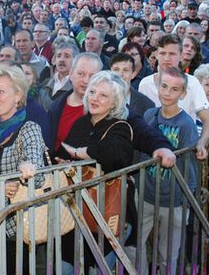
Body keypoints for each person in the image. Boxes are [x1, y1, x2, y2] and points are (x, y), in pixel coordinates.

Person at [0, 63, 45, 274]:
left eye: (1, 91)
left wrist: (28, 166)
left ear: (18, 95)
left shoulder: (29, 129)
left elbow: (36, 174)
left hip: (11, 229)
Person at [57, 71, 134, 270]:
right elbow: (62, 152)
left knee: (98, 267)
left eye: (103, 95)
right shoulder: (82, 123)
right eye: (92, 92)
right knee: (67, 264)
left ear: (115, 102)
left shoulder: (120, 127)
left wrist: (81, 153)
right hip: (76, 212)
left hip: (107, 213)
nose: (94, 98)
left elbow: (114, 153)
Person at [139, 67, 198, 275]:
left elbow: (190, 166)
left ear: (182, 94)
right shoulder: (149, 115)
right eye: (164, 86)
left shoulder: (186, 125)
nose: (167, 93)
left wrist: (187, 201)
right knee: (135, 246)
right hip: (145, 194)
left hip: (173, 200)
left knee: (168, 254)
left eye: (174, 89)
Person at [139, 34, 209, 159]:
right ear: (156, 54)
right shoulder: (145, 84)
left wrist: (201, 143)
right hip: (152, 153)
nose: (167, 58)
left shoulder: (192, 83)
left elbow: (208, 120)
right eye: (162, 53)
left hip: (183, 151)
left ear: (180, 55)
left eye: (172, 54)